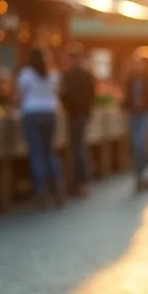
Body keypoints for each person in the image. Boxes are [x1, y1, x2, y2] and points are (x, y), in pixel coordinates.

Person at [15, 48, 64, 208]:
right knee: (49, 151)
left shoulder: (26, 74)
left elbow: (19, 97)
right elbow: (58, 93)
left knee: (37, 153)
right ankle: (57, 187)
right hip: (50, 113)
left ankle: (41, 191)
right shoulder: (53, 73)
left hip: (32, 113)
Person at [122, 47, 148, 193]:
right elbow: (126, 97)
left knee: (140, 142)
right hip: (133, 114)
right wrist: (126, 107)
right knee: (137, 143)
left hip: (145, 113)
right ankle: (147, 168)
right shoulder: (130, 79)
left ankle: (143, 171)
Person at [61, 46, 97, 197]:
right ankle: (82, 181)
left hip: (76, 114)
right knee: (80, 146)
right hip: (83, 113)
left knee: (78, 148)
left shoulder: (71, 75)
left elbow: (65, 94)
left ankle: (79, 182)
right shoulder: (87, 74)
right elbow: (92, 94)